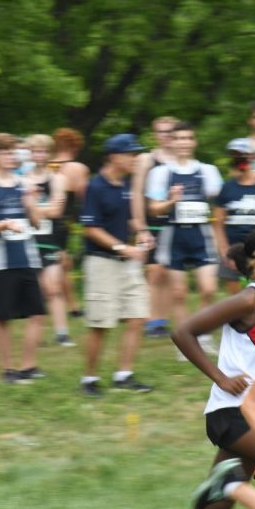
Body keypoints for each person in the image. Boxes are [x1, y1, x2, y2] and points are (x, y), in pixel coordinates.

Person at [130, 224, 255, 509]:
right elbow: (184, 331)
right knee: (227, 493)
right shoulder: (250, 300)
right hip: (233, 415)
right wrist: (220, 377)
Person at [78, 134, 154, 397]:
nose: (135, 159)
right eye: (131, 154)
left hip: (126, 262)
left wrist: (141, 232)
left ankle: (124, 375)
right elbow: (90, 228)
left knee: (137, 316)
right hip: (102, 263)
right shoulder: (95, 186)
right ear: (113, 157)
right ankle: (89, 379)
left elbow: (128, 220)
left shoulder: (124, 185)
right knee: (101, 323)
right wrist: (124, 248)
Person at [0, 133, 46, 384]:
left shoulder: (24, 182)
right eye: (3, 152)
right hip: (0, 260)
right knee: (3, 316)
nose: (9, 157)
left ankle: (29, 365)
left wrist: (32, 202)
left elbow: (36, 222)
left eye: (12, 152)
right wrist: (2, 225)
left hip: (27, 255)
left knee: (37, 312)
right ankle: (8, 369)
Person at [147, 121, 224, 356]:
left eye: (188, 138)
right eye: (179, 138)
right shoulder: (160, 173)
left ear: (194, 142)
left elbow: (218, 202)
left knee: (208, 289)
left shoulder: (208, 171)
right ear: (171, 141)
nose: (183, 143)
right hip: (174, 235)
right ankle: (184, 343)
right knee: (178, 293)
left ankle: (204, 334)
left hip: (201, 234)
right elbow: (154, 209)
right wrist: (171, 201)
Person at [23, 134, 73, 347]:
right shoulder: (22, 179)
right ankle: (36, 332)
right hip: (28, 238)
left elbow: (57, 211)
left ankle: (62, 332)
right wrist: (42, 209)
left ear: (49, 154)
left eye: (43, 151)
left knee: (53, 287)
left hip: (50, 238)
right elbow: (24, 212)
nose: (39, 155)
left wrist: (34, 206)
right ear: (30, 154)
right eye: (35, 151)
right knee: (37, 288)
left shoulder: (58, 179)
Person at [133, 116, 178, 338]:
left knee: (169, 272)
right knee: (153, 271)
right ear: (154, 134)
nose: (166, 136)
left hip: (177, 222)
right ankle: (149, 320)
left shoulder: (182, 158)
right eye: (161, 131)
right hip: (152, 222)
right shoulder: (146, 159)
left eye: (170, 131)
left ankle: (161, 319)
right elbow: (136, 193)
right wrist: (140, 226)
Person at [213, 138, 255, 295]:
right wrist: (224, 252)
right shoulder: (227, 187)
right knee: (236, 299)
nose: (240, 159)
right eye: (236, 155)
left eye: (244, 155)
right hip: (233, 249)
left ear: (253, 157)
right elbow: (218, 222)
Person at [50, 128, 90, 318]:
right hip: (64, 221)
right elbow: (85, 198)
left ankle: (70, 305)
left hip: (43, 218)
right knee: (64, 263)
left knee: (59, 262)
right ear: (75, 146)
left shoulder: (46, 166)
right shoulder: (78, 169)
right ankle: (72, 306)